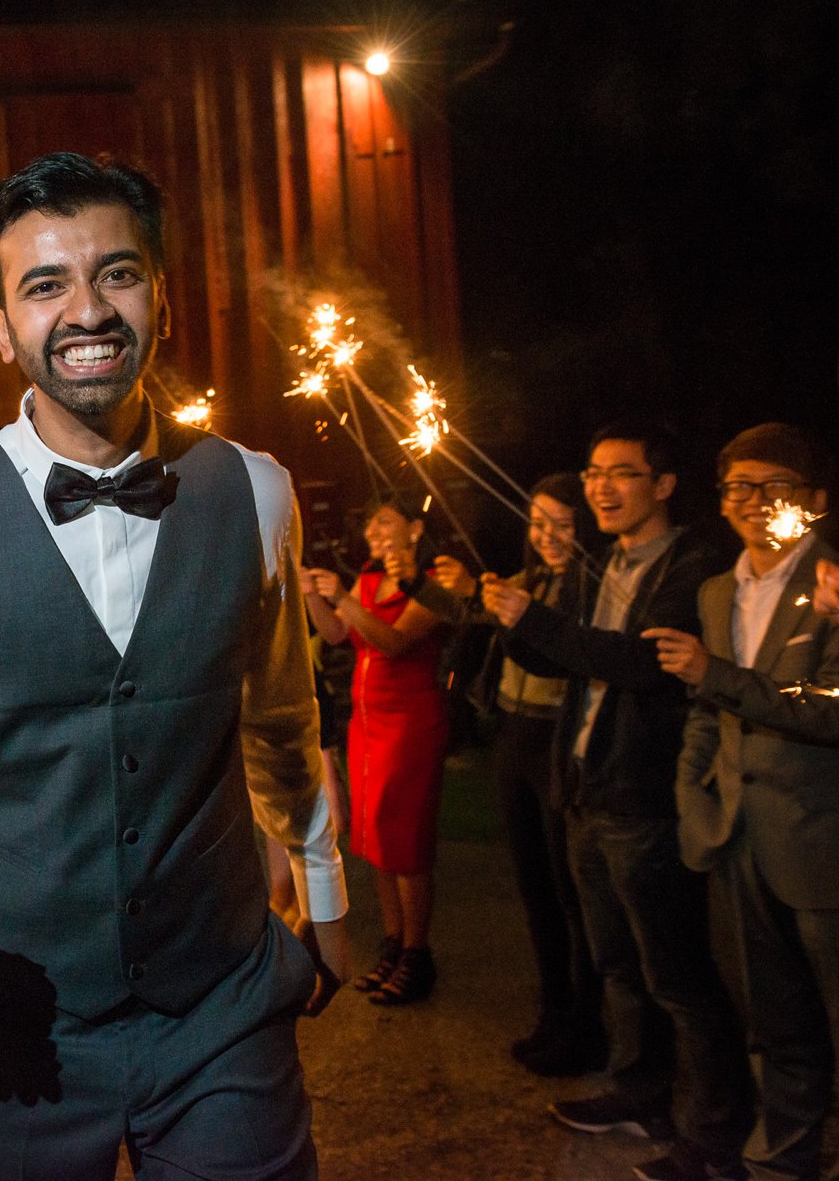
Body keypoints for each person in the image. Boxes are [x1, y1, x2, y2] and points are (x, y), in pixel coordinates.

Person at [0, 152, 346, 1178]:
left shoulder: (254, 493)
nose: (85, 310)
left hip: (220, 1000)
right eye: (43, 286)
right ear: (2, 326)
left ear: (159, 300)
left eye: (115, 274)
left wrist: (325, 896)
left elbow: (280, 720)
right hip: (15, 1020)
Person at [484, 421, 751, 1179]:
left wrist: (536, 621)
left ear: (664, 486)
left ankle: (715, 1130)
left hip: (644, 795)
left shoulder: (692, 566)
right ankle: (642, 1089)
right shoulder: (602, 561)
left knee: (679, 974)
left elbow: (641, 665)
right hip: (587, 785)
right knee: (617, 962)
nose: (600, 486)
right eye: (594, 471)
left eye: (622, 473)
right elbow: (560, 655)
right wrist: (515, 619)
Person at [645, 423, 839, 1181]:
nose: (754, 502)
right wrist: (694, 801)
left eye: (775, 487)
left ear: (816, 502)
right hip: (738, 838)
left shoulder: (831, 579)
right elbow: (704, 712)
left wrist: (715, 673)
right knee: (774, 1021)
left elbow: (828, 704)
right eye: (738, 488)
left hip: (821, 841)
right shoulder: (719, 587)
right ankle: (782, 1162)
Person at [430, 473, 608, 1072]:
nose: (549, 535)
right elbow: (471, 619)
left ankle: (589, 1024)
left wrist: (521, 616)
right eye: (538, 522)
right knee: (535, 890)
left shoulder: (591, 589)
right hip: (512, 736)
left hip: (553, 741)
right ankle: (553, 1011)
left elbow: (563, 658)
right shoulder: (527, 581)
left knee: (570, 892)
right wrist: (451, 590)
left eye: (562, 523)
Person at [301, 493, 450, 1006]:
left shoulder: (434, 585)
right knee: (376, 842)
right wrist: (313, 595)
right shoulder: (366, 580)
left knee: (405, 844)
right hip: (365, 726)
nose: (376, 536)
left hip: (409, 727)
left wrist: (342, 598)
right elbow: (339, 635)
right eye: (371, 528)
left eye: (386, 525)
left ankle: (417, 952)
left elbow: (391, 642)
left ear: (414, 528)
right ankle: (393, 944)